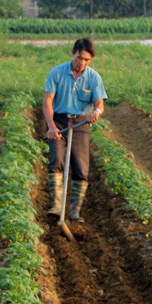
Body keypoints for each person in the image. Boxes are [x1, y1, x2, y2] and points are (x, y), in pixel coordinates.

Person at [43, 38, 107, 223]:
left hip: (80, 124)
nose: (82, 63)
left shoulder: (94, 77)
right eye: (80, 58)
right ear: (73, 54)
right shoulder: (57, 73)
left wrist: (96, 112)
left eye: (87, 60)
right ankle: (56, 206)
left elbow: (99, 104)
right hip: (60, 121)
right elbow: (47, 101)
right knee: (56, 160)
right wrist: (51, 126)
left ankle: (74, 212)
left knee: (81, 167)